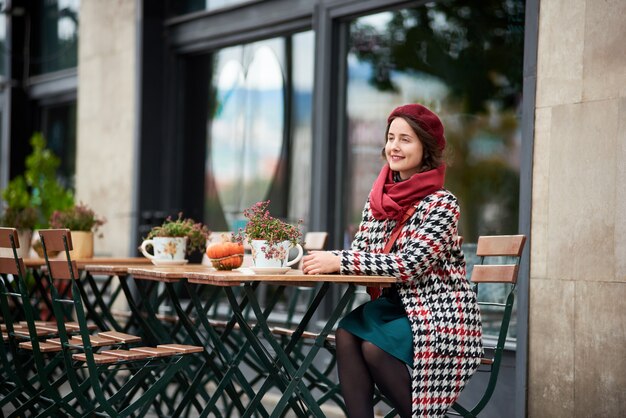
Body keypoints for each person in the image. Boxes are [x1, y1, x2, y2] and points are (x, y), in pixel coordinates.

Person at [302, 104, 483, 417]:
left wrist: (339, 259)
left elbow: (410, 265)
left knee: (374, 347)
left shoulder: (442, 204)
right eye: (390, 138)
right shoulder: (378, 200)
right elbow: (362, 252)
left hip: (440, 312)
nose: (394, 147)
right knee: (346, 332)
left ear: (426, 148)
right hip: (395, 308)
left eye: (406, 139)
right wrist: (346, 259)